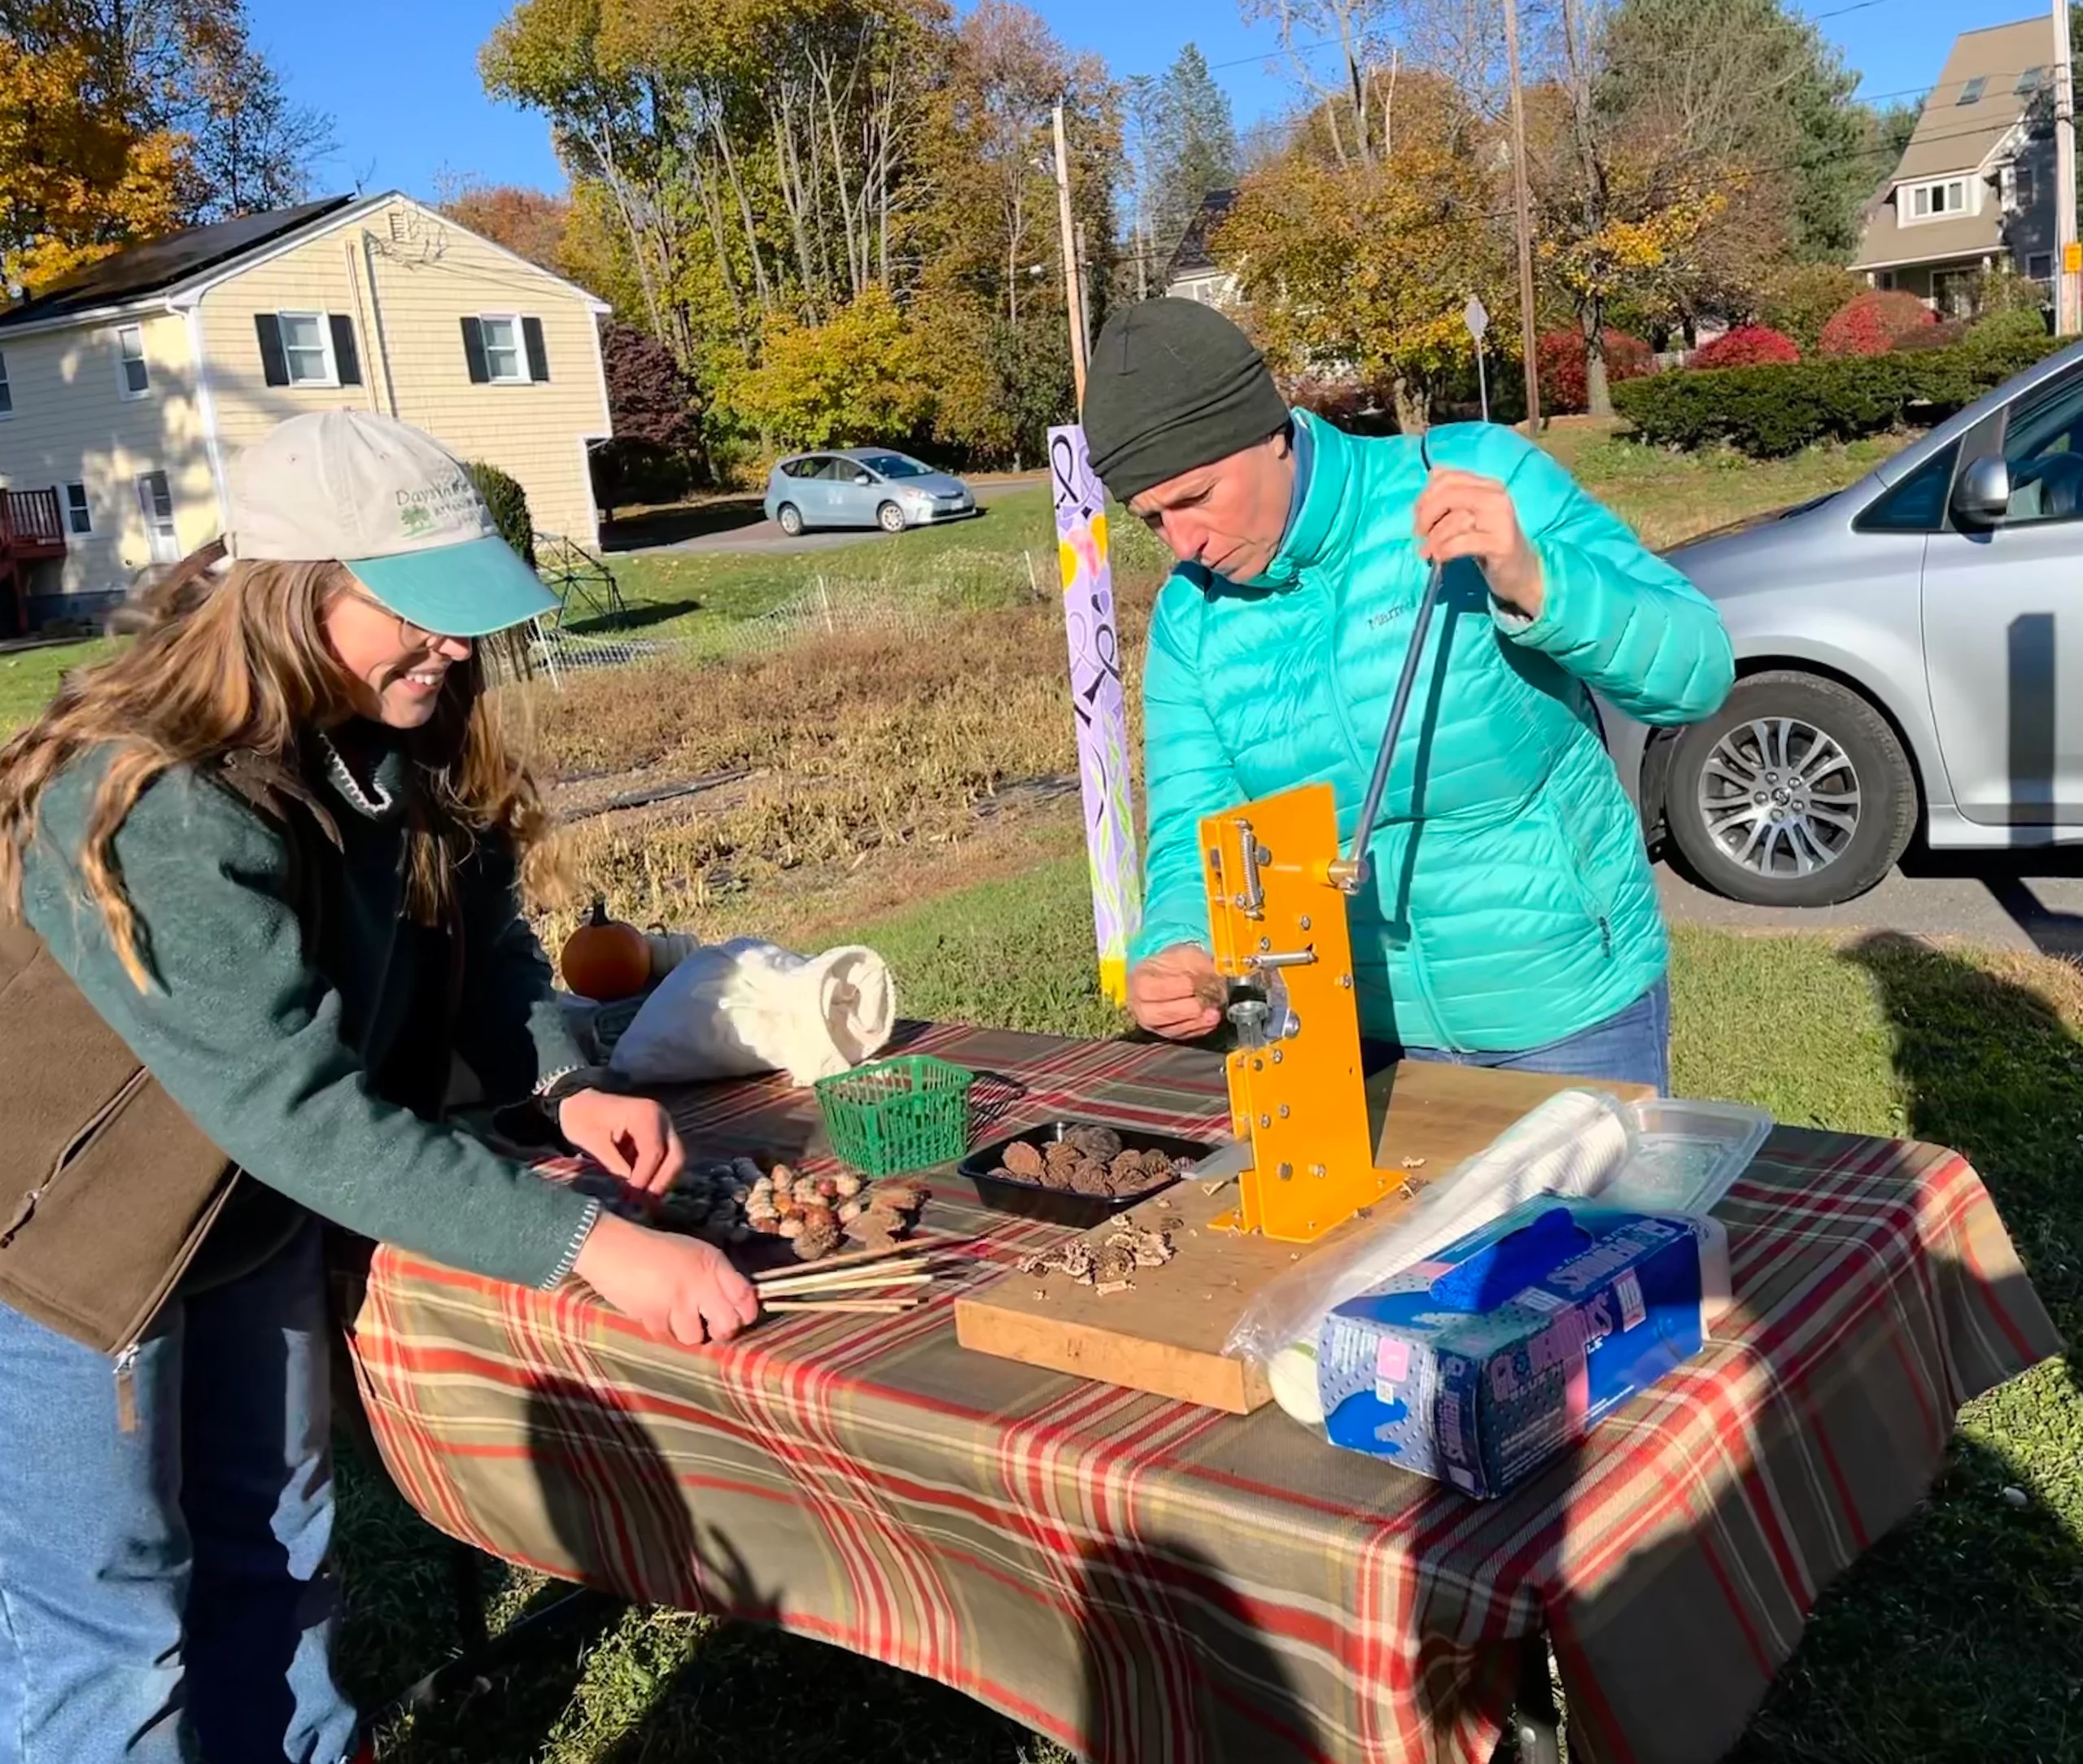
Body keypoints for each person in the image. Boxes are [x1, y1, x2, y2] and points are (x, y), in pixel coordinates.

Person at [0, 411, 759, 1764]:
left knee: (279, 1567)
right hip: (72, 1258)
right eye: (423, 611)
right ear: (296, 594)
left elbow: (484, 935)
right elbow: (293, 1105)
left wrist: (566, 1081)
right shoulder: (159, 793)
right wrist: (589, 1243)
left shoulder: (393, 730)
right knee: (112, 1644)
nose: (458, 644)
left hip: (252, 1221)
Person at [1081, 299, 1735, 1092]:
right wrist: (1179, 941)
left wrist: (1535, 580)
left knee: (1595, 1223)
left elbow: (1694, 675)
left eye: (1195, 498)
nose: (1185, 544)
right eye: (1153, 520)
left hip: (1564, 1015)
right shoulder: (1192, 618)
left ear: (1270, 432)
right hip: (1342, 1032)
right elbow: (1196, 827)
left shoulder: (1471, 479)